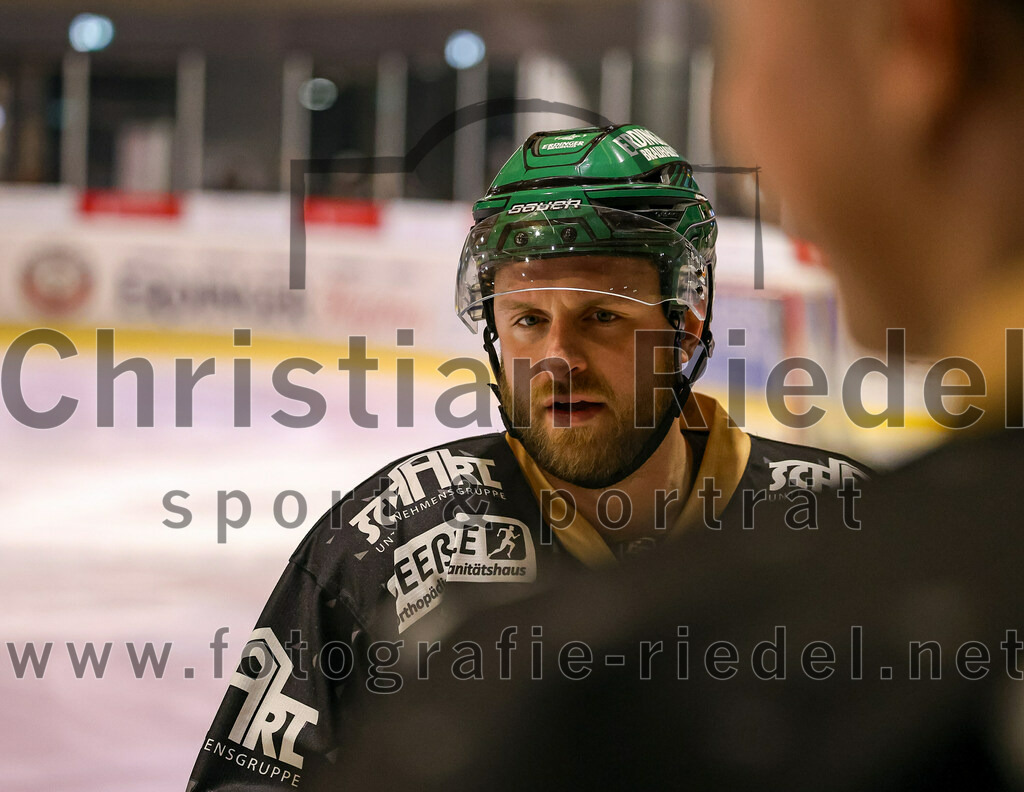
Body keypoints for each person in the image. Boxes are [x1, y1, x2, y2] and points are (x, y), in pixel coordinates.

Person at [335, 1, 1024, 789]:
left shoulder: (562, 707)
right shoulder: (379, 546)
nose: (742, 119)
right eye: (528, 319)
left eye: (740, 46)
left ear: (919, 43)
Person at [186, 123, 865, 790]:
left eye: (602, 316)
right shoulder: (384, 545)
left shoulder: (845, 529)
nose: (557, 362)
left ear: (684, 327)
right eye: (528, 321)